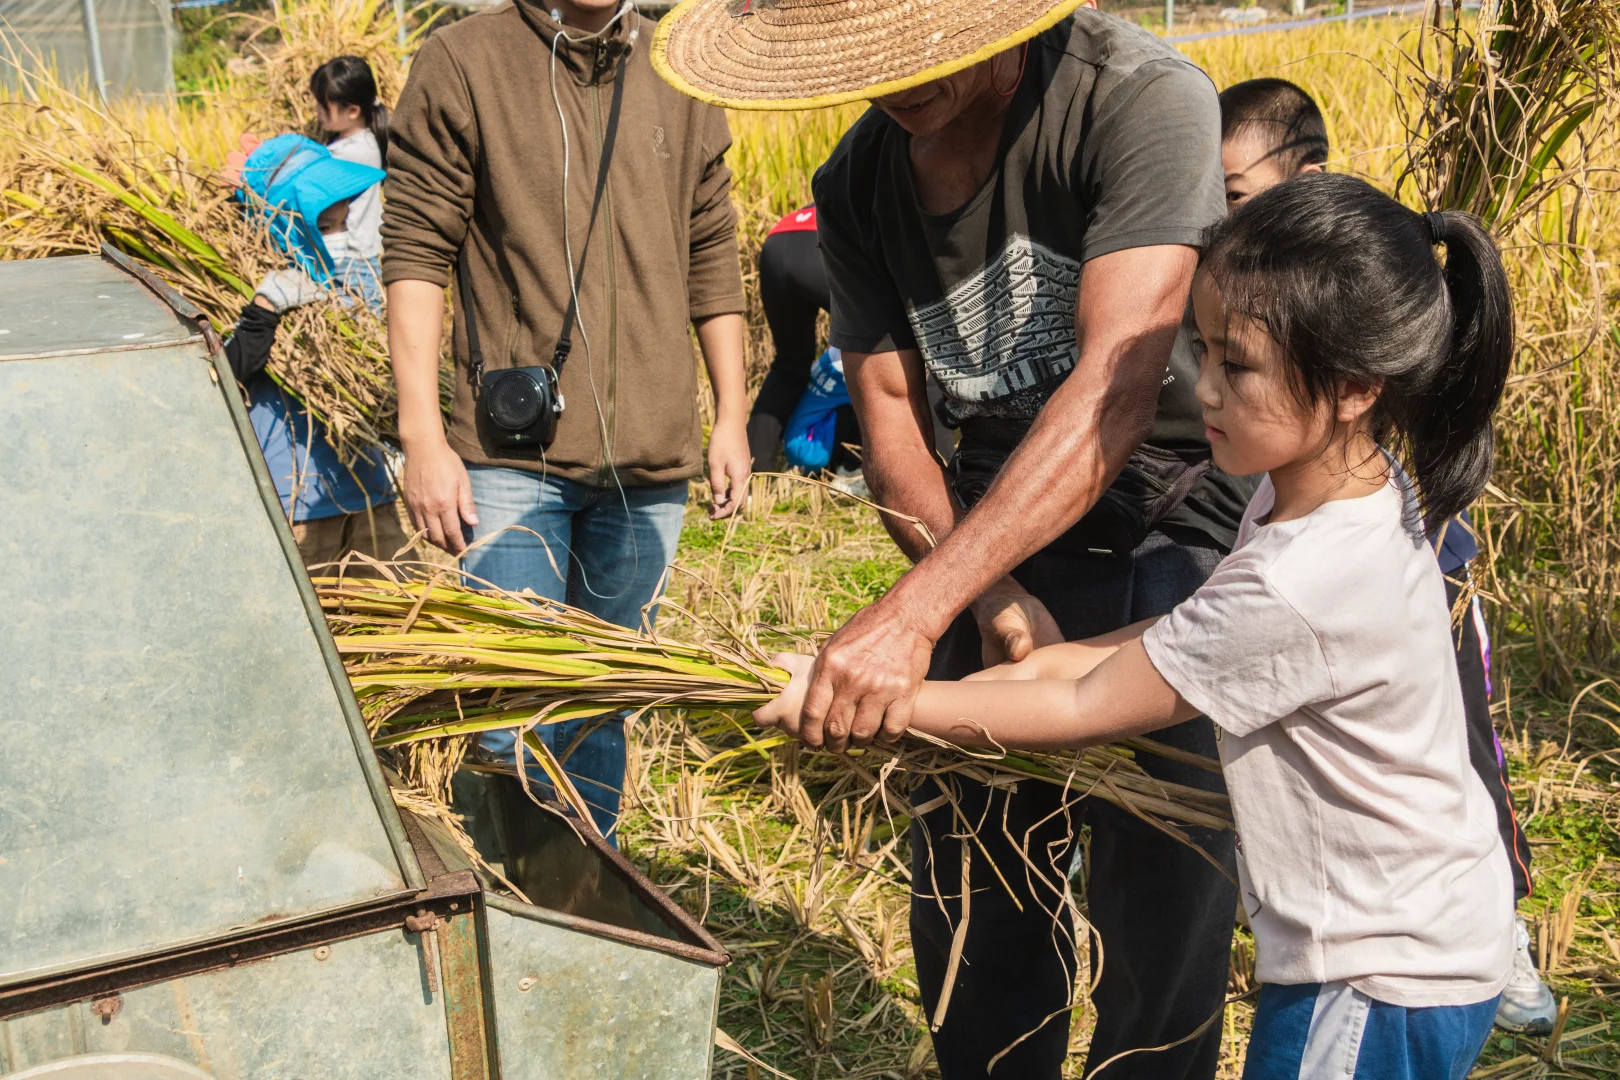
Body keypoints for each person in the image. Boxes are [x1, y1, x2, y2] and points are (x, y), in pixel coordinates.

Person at [760, 172, 1518, 1080]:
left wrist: (883, 703)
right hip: (1418, 939)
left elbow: (1089, 702)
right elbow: (1156, 645)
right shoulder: (1328, 493)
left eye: (1237, 365)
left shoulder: (1305, 578)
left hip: (1378, 975)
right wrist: (944, 681)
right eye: (1201, 350)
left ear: (1354, 386)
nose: (1204, 391)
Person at [655, 2, 1254, 1076]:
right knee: (975, 885)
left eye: (927, 44)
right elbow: (891, 423)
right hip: (984, 522)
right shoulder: (858, 182)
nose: (904, 79)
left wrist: (912, 611)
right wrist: (984, 593)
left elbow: (1117, 390)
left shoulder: (1136, 98)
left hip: (1170, 515)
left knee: (1160, 892)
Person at [1220, 76, 1551, 1034]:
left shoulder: (1346, 265)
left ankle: (1510, 921)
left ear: (1303, 177)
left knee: (1461, 741)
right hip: (1398, 937)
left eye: (1236, 194)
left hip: (1398, 959)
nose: (1218, 213)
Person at [382, 0, 751, 840]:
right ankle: (511, 910)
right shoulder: (464, 60)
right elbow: (415, 251)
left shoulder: (680, 66)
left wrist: (730, 414)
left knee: (598, 708)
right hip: (513, 462)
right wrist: (423, 435)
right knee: (508, 711)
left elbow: (712, 250)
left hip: (652, 465)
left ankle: (589, 901)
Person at [227, 130, 404, 568]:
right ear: (284, 223)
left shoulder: (356, 280)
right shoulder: (242, 286)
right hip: (298, 502)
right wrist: (264, 311)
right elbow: (225, 376)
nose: (339, 236)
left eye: (343, 223)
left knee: (404, 614)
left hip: (368, 489)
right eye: (325, 226)